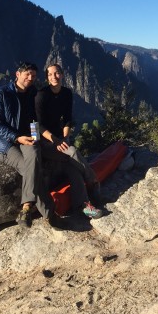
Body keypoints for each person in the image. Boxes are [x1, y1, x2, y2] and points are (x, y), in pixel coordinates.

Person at [0, 62, 67, 229]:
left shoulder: (32, 93)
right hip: (3, 143)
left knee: (35, 151)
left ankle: (27, 208)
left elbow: (33, 120)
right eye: (27, 74)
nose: (30, 78)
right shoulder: (0, 94)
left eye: (34, 76)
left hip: (26, 137)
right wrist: (16, 137)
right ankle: (47, 213)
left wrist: (36, 137)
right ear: (18, 74)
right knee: (28, 167)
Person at [35, 63, 103, 217]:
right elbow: (37, 125)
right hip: (45, 140)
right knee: (71, 152)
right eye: (50, 74)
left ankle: (83, 206)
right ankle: (93, 182)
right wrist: (56, 141)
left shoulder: (66, 93)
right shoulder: (42, 95)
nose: (54, 77)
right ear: (47, 78)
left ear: (62, 74)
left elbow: (67, 119)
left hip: (59, 138)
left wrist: (65, 138)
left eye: (57, 73)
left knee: (72, 167)